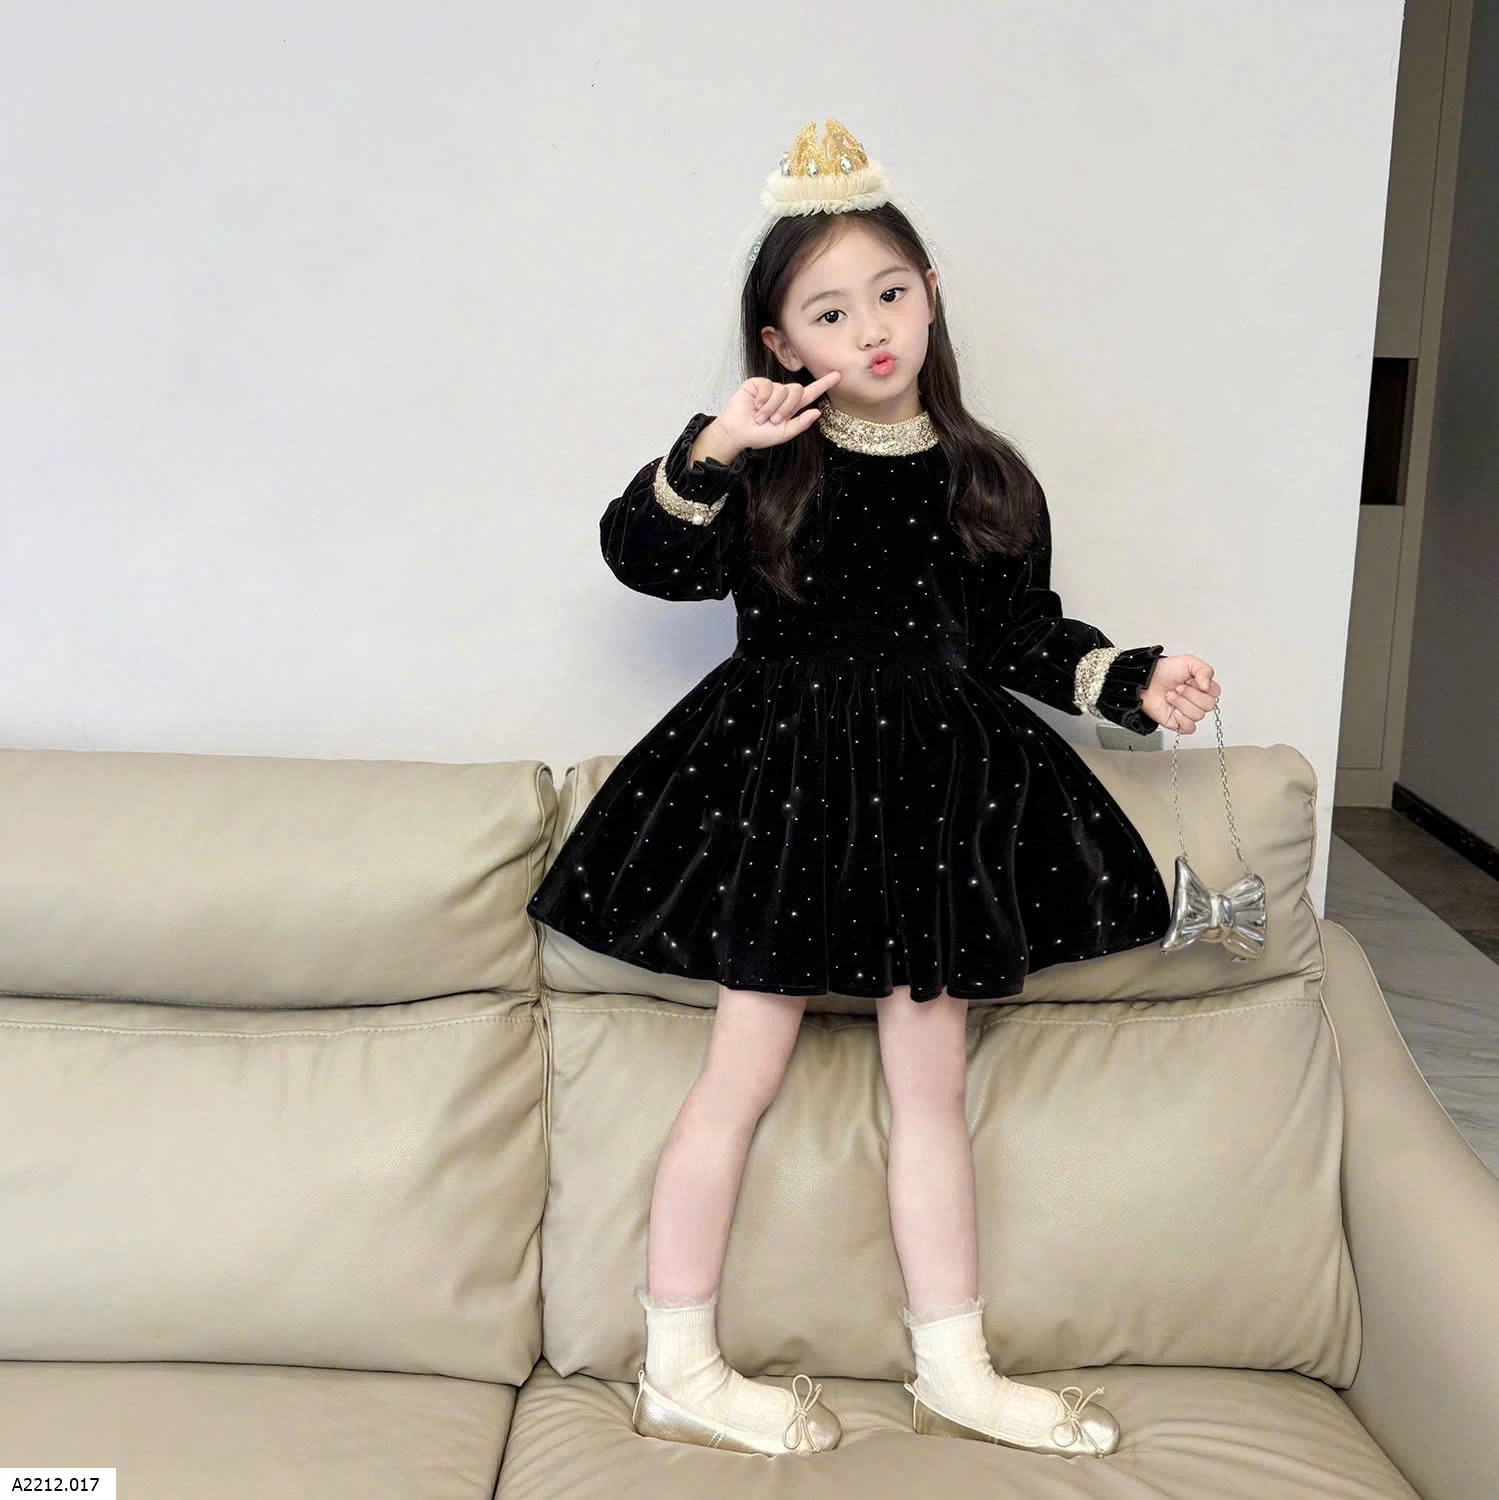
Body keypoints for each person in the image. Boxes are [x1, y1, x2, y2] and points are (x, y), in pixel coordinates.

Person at [525, 118, 1221, 1460]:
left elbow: (1024, 638)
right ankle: (677, 1364)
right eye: (830, 312)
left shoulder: (985, 473)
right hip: (783, 795)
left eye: (890, 294)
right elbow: (642, 560)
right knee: (739, 1075)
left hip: (934, 806)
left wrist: (1138, 679)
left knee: (929, 1088)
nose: (872, 329)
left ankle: (952, 1367)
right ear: (782, 343)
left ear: (931, 295)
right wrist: (714, 445)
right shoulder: (764, 464)